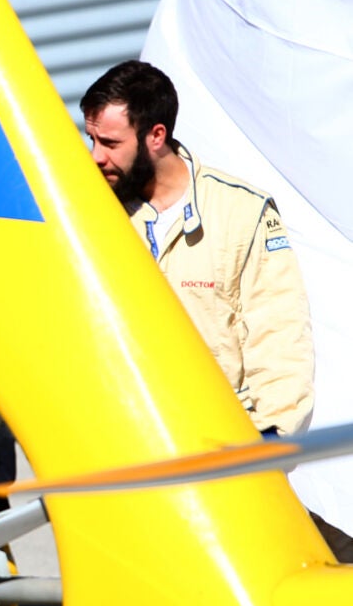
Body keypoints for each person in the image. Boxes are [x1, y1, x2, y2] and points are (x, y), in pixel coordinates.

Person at [81, 59, 313, 435]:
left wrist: (269, 439)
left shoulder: (243, 212)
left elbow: (280, 336)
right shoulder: (84, 212)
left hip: (221, 446)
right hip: (122, 445)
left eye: (109, 143)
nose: (95, 156)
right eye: (91, 139)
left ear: (156, 136)